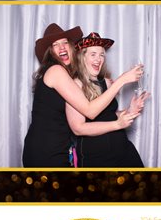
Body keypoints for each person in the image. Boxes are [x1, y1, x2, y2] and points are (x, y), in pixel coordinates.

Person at [22, 23, 143, 167]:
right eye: (55, 45)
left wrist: (129, 111)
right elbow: (89, 112)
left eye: (65, 43)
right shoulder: (56, 71)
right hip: (45, 149)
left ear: (72, 47)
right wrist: (122, 80)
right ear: (50, 52)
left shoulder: (71, 77)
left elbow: (99, 115)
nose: (62, 47)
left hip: (59, 147)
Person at [65, 32, 149, 167]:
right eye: (93, 54)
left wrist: (129, 111)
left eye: (102, 55)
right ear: (82, 57)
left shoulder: (107, 82)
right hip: (96, 157)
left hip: (123, 150)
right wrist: (122, 80)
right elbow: (78, 128)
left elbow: (108, 115)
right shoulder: (74, 85)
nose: (98, 59)